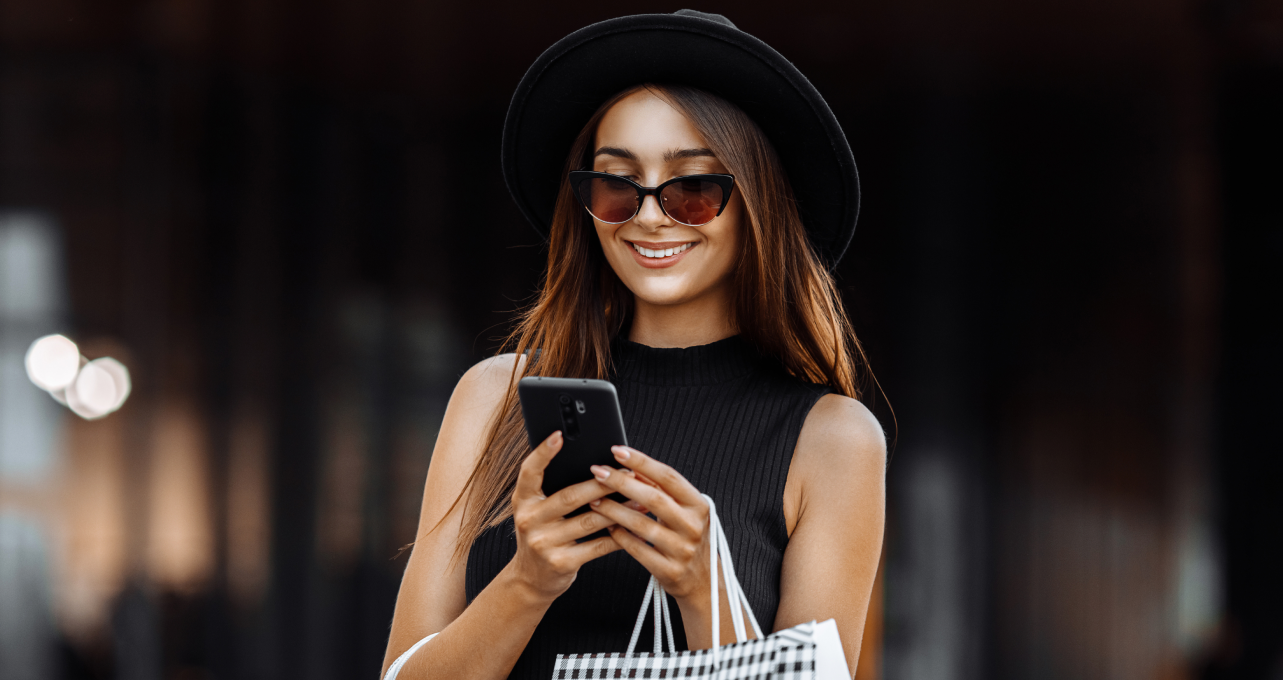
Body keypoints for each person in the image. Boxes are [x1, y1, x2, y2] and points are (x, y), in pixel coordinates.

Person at [381, 10, 885, 680]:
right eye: (617, 185)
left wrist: (706, 589)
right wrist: (527, 582)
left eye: (694, 188)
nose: (649, 215)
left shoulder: (832, 439)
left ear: (759, 203)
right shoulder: (492, 398)